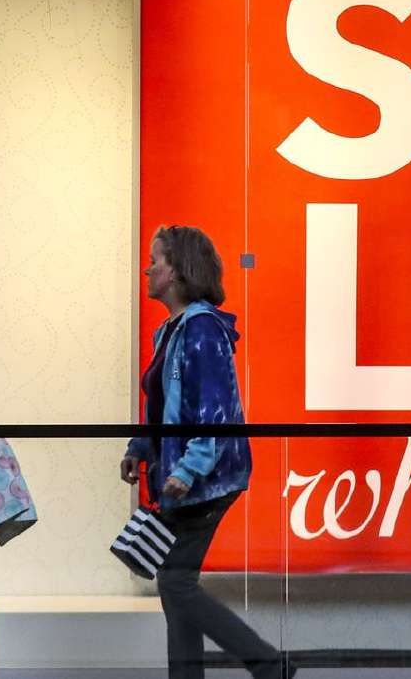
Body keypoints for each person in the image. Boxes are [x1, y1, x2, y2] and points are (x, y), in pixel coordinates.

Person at [120, 226, 290, 679]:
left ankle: (268, 664)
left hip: (206, 478)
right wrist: (139, 449)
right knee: (174, 583)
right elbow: (162, 405)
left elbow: (214, 406)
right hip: (182, 474)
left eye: (155, 260)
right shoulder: (170, 331)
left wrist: (190, 468)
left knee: (175, 581)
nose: (148, 268)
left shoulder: (201, 328)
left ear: (176, 270)